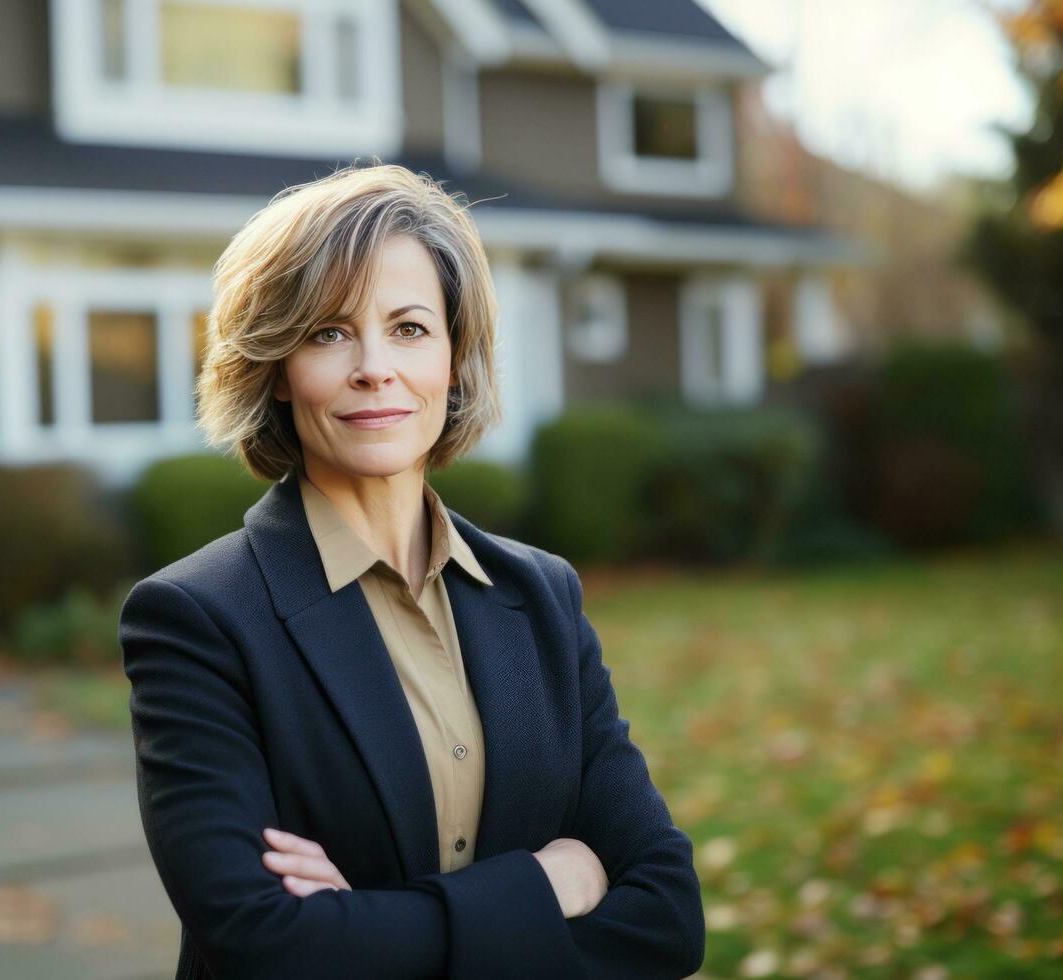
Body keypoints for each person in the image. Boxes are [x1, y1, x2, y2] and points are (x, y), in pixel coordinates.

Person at [117, 162, 704, 979]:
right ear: (278, 371)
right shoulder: (196, 619)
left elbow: (668, 917)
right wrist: (546, 880)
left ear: (454, 356)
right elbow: (267, 946)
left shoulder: (542, 598)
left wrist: (363, 921)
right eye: (328, 332)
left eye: (410, 328)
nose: (373, 367)